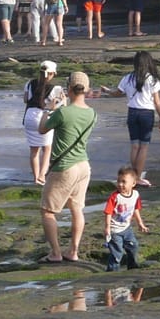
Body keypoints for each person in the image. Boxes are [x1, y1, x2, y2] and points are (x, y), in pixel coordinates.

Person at [36, 73, 97, 264]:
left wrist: (49, 108)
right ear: (86, 90)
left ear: (68, 89)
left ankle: (55, 253)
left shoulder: (63, 113)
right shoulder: (92, 114)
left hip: (64, 167)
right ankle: (73, 250)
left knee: (48, 211)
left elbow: (42, 128)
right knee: (77, 209)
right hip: (83, 165)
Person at [117, 51, 160, 186]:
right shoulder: (152, 79)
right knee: (143, 147)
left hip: (132, 112)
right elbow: (157, 102)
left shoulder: (128, 78)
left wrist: (106, 91)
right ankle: (137, 177)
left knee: (134, 146)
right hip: (146, 114)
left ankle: (133, 177)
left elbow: (118, 92)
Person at [22, 61, 62, 184]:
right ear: (52, 73)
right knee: (47, 148)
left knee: (34, 150)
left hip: (29, 117)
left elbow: (25, 100)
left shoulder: (29, 83)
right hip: (43, 116)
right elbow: (60, 105)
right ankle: (42, 176)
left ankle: (35, 178)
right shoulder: (56, 88)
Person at [102, 166, 148, 271]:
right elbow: (108, 212)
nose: (120, 184)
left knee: (133, 246)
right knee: (117, 253)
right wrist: (107, 228)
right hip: (114, 230)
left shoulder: (135, 195)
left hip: (127, 228)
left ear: (133, 183)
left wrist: (140, 223)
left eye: (124, 182)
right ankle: (112, 272)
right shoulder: (115, 197)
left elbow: (136, 209)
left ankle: (133, 268)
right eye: (118, 181)